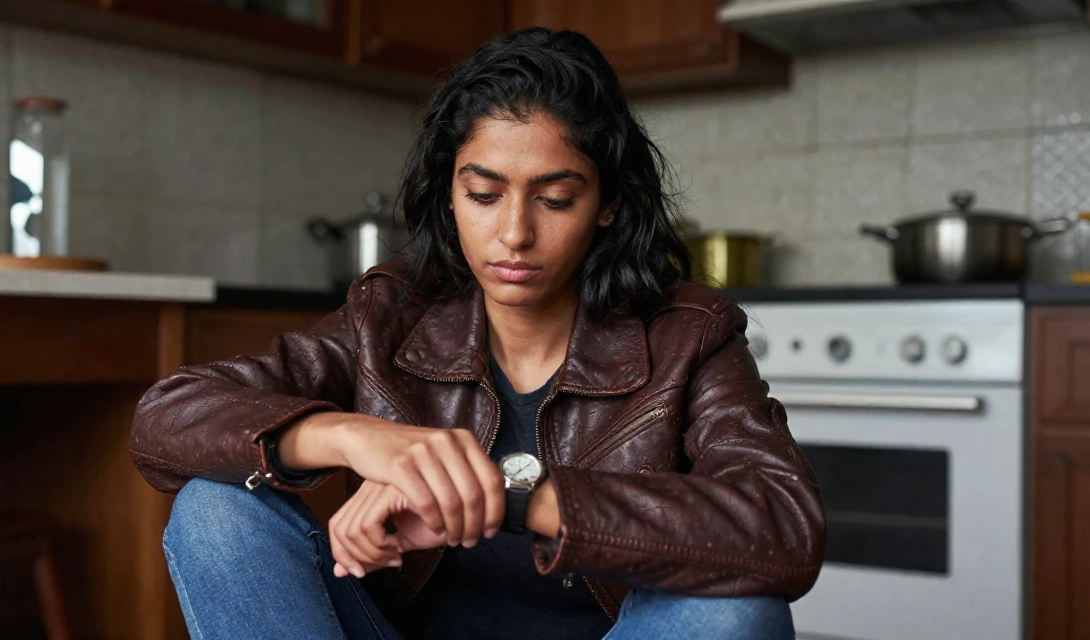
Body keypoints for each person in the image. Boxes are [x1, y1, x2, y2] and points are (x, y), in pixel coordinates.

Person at [130, 27, 825, 640]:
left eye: (555, 198)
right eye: (484, 195)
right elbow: (166, 417)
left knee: (740, 613)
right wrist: (356, 438)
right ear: (449, 191)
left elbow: (782, 524)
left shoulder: (687, 336)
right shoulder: (389, 315)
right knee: (215, 511)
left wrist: (509, 495)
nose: (515, 233)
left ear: (609, 202)